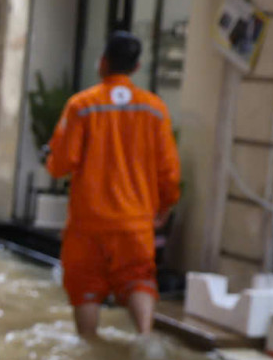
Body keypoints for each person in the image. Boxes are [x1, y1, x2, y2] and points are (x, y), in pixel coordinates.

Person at [44, 30, 181, 340]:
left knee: (86, 288)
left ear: (103, 62)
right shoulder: (154, 109)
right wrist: (165, 206)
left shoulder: (82, 106)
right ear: (137, 66)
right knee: (139, 280)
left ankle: (89, 347)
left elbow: (61, 163)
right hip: (135, 222)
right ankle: (145, 338)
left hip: (88, 221)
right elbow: (169, 170)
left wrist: (49, 161)